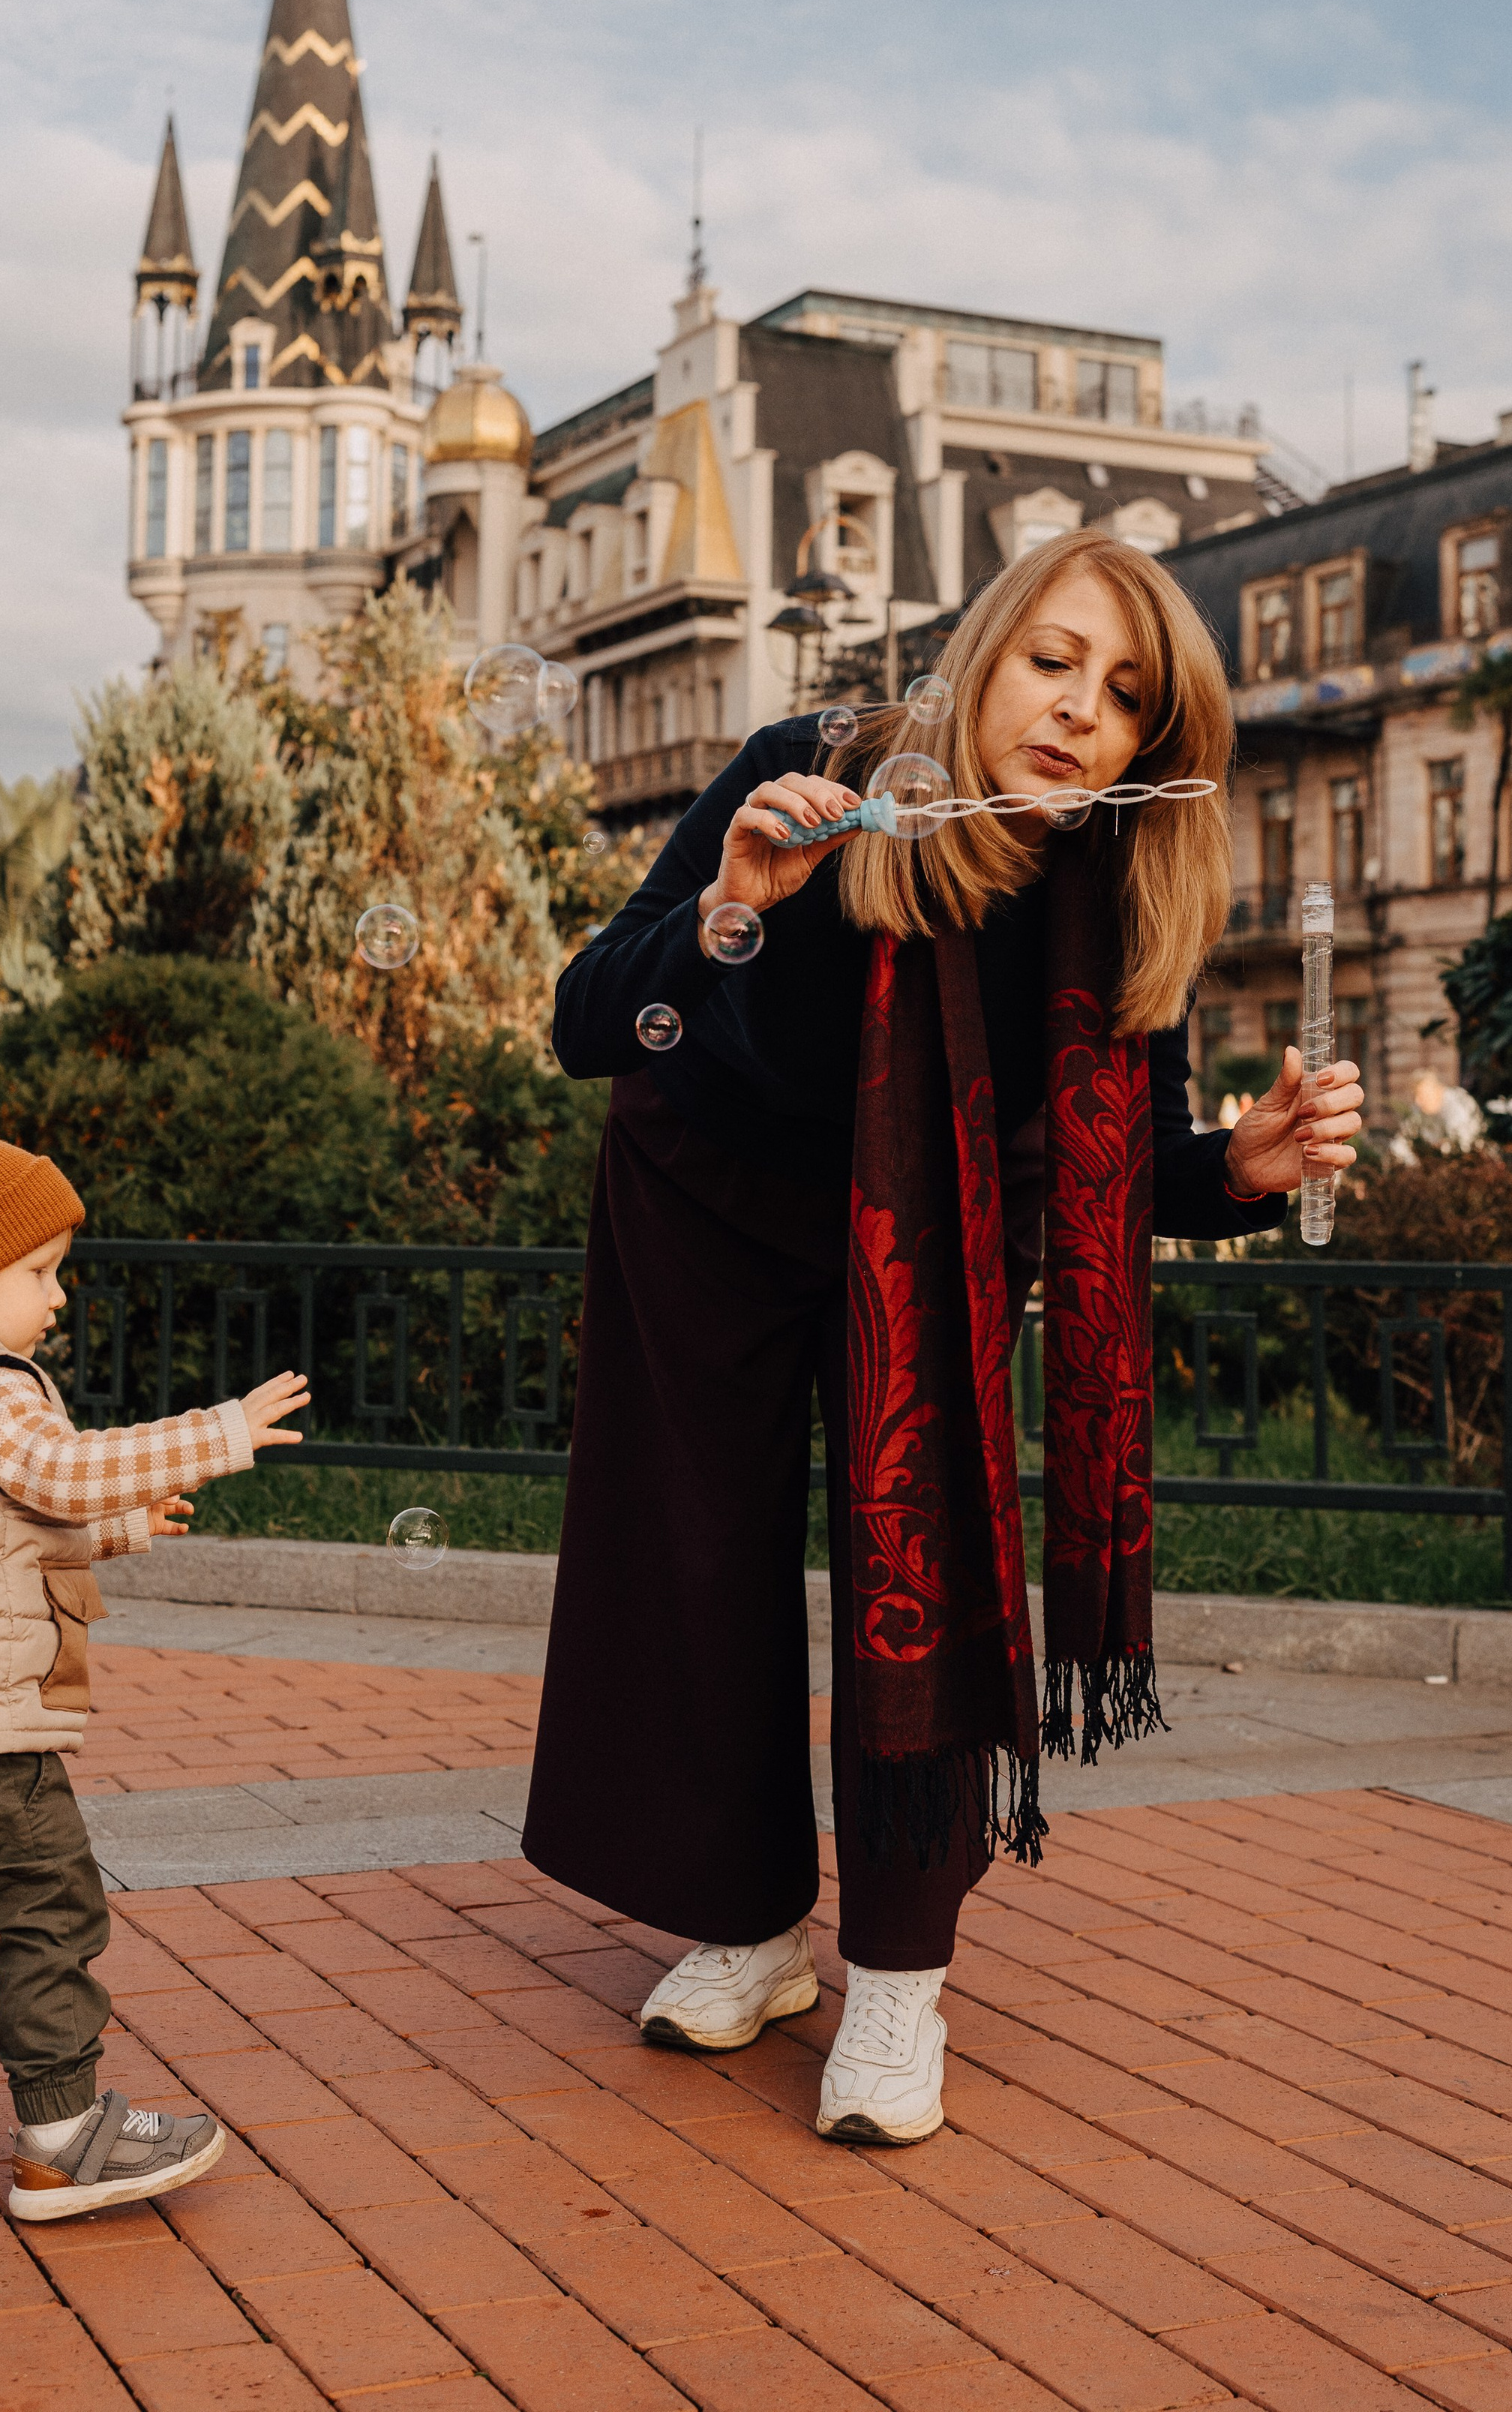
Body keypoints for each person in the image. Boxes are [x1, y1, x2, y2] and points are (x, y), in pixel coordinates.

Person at [522, 527, 1363, 2146]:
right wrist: (730, 911)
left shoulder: (1117, 890)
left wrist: (1240, 1176)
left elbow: (1122, 1163)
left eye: (1120, 698)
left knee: (931, 1554)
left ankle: (899, 1977)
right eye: (1050, 662)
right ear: (983, 655)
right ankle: (751, 1923)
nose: (1073, 714)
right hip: (704, 1192)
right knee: (695, 1555)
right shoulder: (804, 775)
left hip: (936, 1239)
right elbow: (585, 1018)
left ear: (1149, 749)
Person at [0, 1117, 310, 2221]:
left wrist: (121, 1526)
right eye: (38, 1273)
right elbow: (58, 1470)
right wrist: (213, 1433)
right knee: (52, 1912)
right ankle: (64, 2135)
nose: (55, 1298)